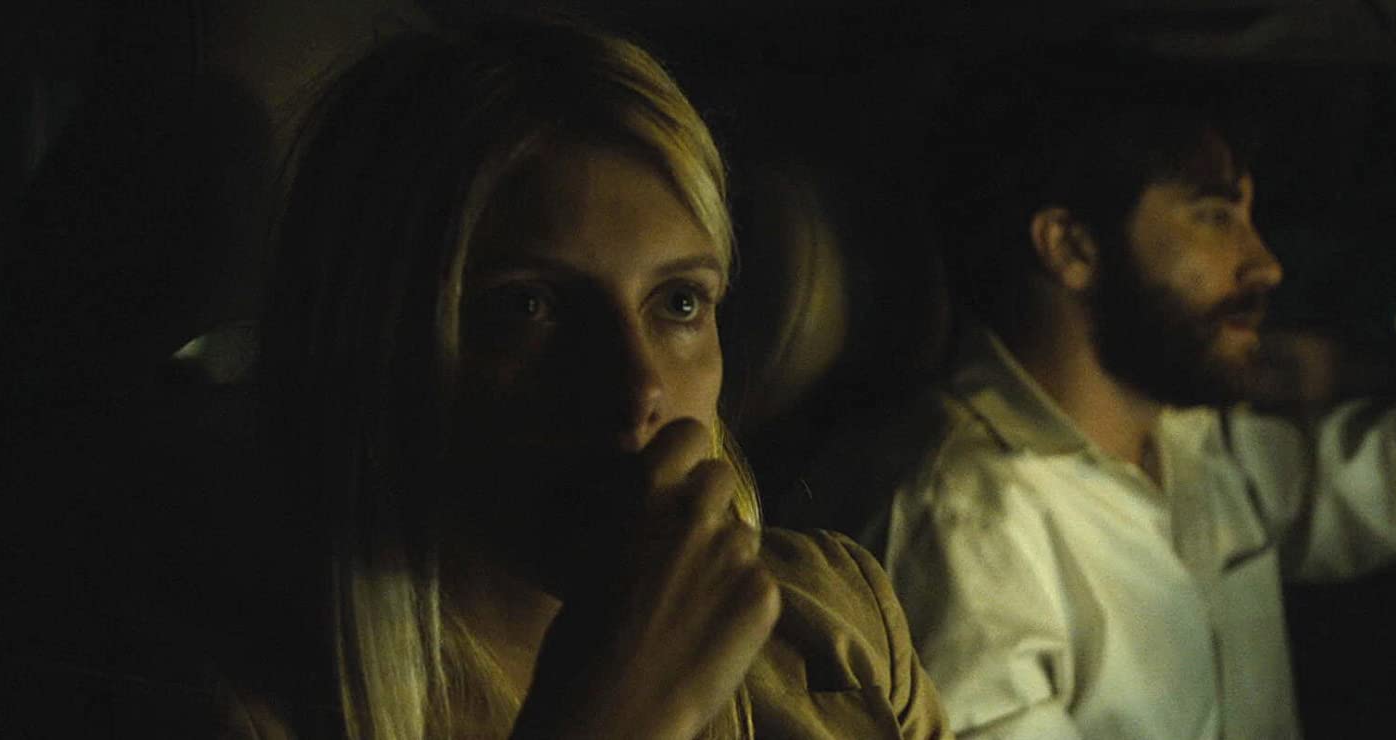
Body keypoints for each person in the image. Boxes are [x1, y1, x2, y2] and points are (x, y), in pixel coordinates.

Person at [804, 50, 1396, 738]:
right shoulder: (964, 518)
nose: (1262, 264)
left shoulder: (1185, 441)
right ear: (1072, 247)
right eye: (1214, 218)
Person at [232, 18, 950, 739]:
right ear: (376, 339)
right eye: (528, 307)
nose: (637, 390)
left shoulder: (839, 623)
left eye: (679, 302)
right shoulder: (234, 702)